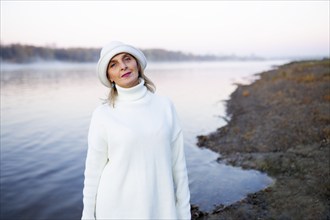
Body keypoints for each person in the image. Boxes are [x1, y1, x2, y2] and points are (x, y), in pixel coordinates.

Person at [81, 41, 191, 220]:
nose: (123, 66)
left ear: (138, 65)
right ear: (109, 76)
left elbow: (178, 165)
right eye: (113, 64)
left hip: (161, 206)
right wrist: (87, 215)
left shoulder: (165, 106)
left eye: (127, 59)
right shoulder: (103, 114)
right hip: (115, 209)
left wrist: (184, 211)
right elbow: (93, 170)